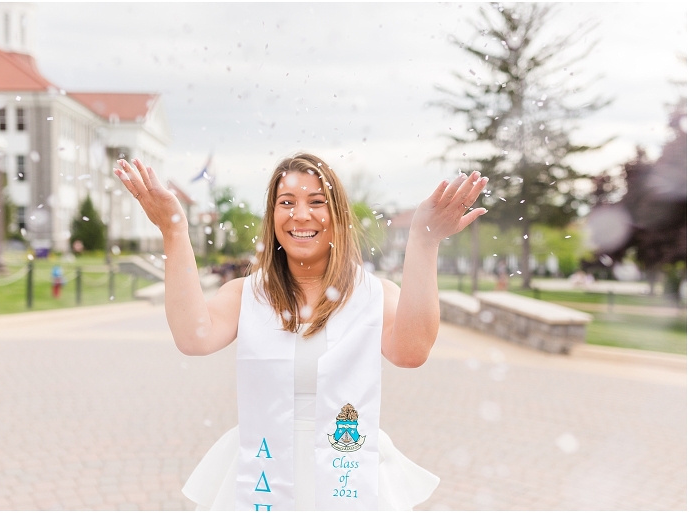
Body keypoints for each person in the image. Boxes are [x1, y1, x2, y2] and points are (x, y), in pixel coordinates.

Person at [114, 154, 488, 510]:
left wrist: (425, 241)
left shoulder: (374, 295)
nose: (300, 215)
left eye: (316, 201)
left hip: (347, 470)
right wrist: (173, 230)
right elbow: (193, 338)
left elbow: (412, 352)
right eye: (287, 202)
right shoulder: (247, 295)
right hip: (262, 471)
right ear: (272, 216)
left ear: (338, 214)